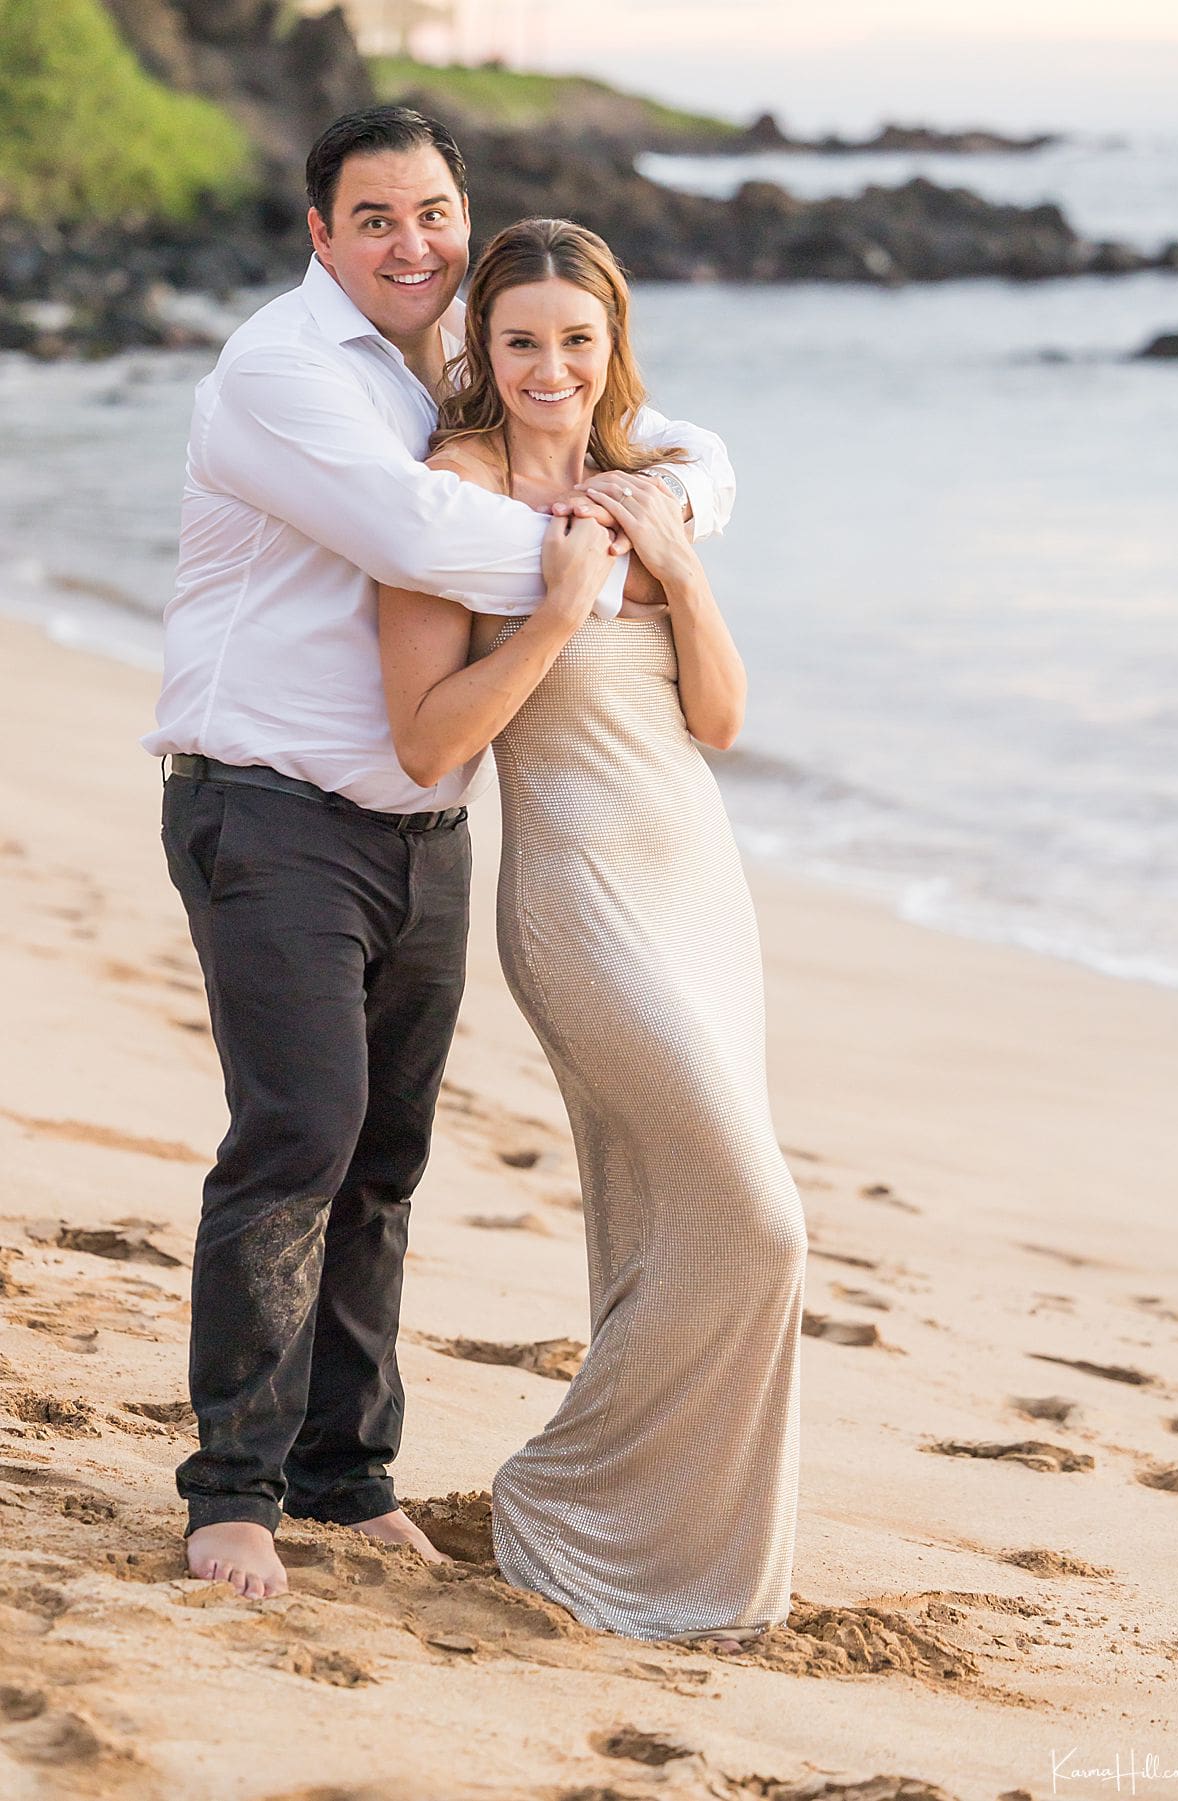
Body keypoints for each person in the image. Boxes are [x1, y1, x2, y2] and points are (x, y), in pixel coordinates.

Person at [142, 106, 734, 1600]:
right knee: (300, 1136)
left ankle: (345, 1478)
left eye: (433, 214)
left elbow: (685, 441)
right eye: (375, 218)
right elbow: (421, 538)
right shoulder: (284, 372)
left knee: (385, 1162)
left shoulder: (462, 358)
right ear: (320, 233)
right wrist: (618, 562)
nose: (412, 243)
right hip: (267, 807)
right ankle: (232, 1492)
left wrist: (664, 502)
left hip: (423, 831)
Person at [379, 218, 806, 1647]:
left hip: (698, 883)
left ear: (614, 342)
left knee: (669, 1226)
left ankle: (664, 1553)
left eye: (577, 339)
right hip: (577, 896)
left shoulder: (649, 481)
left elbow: (721, 721)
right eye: (520, 341)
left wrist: (680, 567)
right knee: (761, 1224)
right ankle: (559, 1492)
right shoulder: (454, 494)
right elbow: (431, 742)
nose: (550, 367)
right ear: (481, 348)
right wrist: (556, 619)